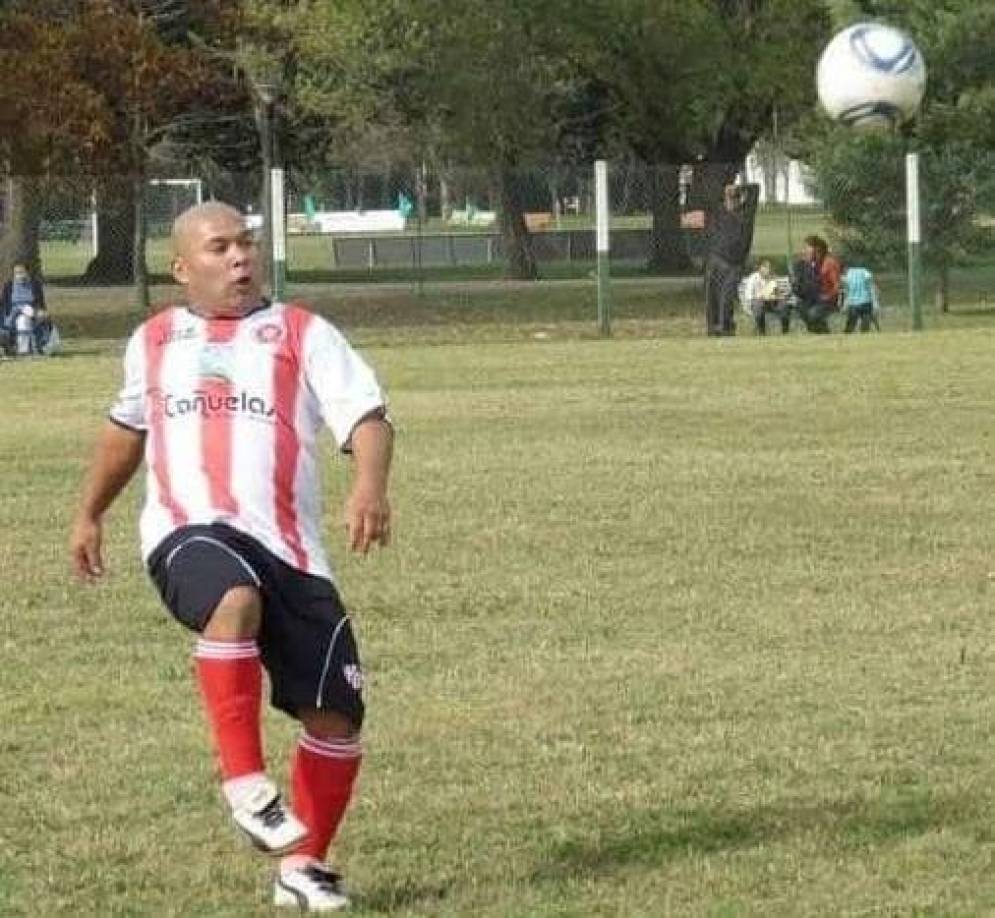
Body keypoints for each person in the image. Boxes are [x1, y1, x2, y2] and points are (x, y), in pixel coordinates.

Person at [69, 202, 394, 912]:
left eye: (246, 243)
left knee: (336, 717)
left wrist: (369, 484)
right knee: (231, 600)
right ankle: (245, 781)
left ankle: (303, 867)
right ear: (184, 268)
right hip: (189, 530)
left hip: (293, 550)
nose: (241, 257)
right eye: (220, 247)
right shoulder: (152, 340)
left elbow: (366, 417)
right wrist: (89, 512)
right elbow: (127, 429)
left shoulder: (304, 333)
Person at [703, 182, 759, 337]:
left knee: (727, 297)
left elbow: (755, 189)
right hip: (717, 260)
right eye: (728, 199)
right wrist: (725, 190)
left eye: (733, 199)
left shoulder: (746, 213)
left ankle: (726, 327)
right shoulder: (719, 212)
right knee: (712, 297)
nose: (731, 203)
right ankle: (713, 328)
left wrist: (739, 188)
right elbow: (708, 197)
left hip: (735, 264)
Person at [792, 235, 841, 334]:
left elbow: (837, 285)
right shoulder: (810, 264)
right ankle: (820, 333)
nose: (804, 251)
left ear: (817, 249)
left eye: (807, 248)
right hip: (814, 299)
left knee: (813, 313)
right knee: (800, 307)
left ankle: (824, 334)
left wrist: (827, 296)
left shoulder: (830, 263)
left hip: (828, 300)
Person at [0, 261, 47, 355]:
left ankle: (23, 350)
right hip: (12, 312)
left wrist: (41, 311)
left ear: (27, 272)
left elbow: (40, 303)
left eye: (21, 272)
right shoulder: (9, 285)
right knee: (20, 319)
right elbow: (3, 303)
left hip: (31, 311)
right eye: (16, 273)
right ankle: (13, 347)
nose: (19, 275)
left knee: (23, 319)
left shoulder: (35, 285)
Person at [742, 259, 789, 335]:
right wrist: (759, 297)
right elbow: (748, 296)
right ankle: (762, 332)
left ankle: (785, 332)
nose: (768, 270)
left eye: (769, 267)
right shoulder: (753, 278)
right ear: (760, 268)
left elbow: (777, 292)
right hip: (757, 302)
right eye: (766, 267)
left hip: (771, 302)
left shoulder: (772, 277)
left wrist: (777, 295)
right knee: (758, 304)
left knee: (783, 304)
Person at [842, 263, 881, 333]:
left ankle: (846, 338)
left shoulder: (847, 275)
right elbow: (871, 288)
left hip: (853, 303)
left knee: (850, 325)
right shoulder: (865, 272)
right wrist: (875, 302)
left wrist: (845, 304)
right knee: (865, 325)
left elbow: (846, 291)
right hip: (865, 302)